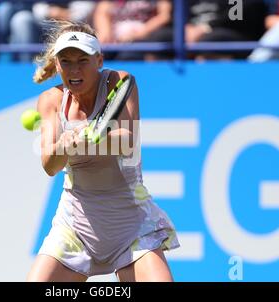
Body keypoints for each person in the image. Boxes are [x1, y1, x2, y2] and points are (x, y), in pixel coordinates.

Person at [27, 21, 179, 282]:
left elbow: (127, 140)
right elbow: (49, 165)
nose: (74, 70)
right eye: (66, 61)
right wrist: (64, 144)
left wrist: (85, 137)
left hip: (131, 224)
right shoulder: (50, 100)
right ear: (57, 63)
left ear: (99, 60)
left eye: (82, 60)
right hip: (76, 225)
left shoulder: (120, 82)